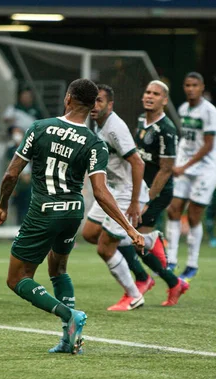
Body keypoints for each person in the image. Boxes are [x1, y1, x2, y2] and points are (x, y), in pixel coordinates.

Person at [0, 79, 145, 355]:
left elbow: (11, 173)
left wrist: (2, 205)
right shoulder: (94, 143)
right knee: (58, 270)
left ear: (68, 99)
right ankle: (67, 340)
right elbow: (100, 191)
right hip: (73, 211)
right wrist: (130, 230)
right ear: (90, 106)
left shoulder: (39, 128)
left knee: (17, 278)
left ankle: (69, 315)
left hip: (43, 212)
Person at [81, 84, 164, 311]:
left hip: (127, 193)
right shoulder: (99, 125)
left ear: (110, 104)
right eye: (92, 101)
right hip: (112, 190)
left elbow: (138, 162)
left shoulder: (115, 128)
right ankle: (148, 240)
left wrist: (136, 202)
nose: (94, 106)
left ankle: (134, 294)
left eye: (99, 101)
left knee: (105, 249)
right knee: (90, 234)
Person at [131, 80, 189, 305]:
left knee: (134, 240)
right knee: (133, 240)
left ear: (164, 100)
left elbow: (165, 170)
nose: (149, 96)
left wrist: (147, 199)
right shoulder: (141, 120)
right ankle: (173, 281)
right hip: (140, 189)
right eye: (147, 92)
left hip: (157, 191)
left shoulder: (167, 130)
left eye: (155, 93)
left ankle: (167, 281)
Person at [166, 72, 216, 282]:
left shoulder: (209, 111)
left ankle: (192, 264)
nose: (190, 89)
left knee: (195, 216)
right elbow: (185, 141)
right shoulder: (183, 109)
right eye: (187, 85)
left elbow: (208, 145)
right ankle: (171, 259)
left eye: (195, 85)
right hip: (184, 168)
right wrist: (177, 163)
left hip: (205, 169)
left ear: (202, 87)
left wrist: (184, 165)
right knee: (173, 209)